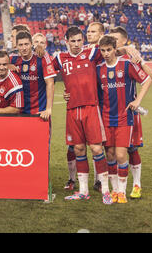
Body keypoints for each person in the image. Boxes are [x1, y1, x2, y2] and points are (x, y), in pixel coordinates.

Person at [52, 26, 112, 204]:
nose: (77, 44)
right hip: (72, 110)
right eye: (73, 41)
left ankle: (106, 190)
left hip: (91, 109)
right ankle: (83, 190)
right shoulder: (60, 58)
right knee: (78, 149)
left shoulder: (92, 53)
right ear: (66, 41)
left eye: (80, 40)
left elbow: (112, 48)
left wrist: (128, 48)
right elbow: (43, 69)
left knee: (96, 149)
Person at [96, 35, 152, 203]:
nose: (106, 53)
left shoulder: (126, 65)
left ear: (115, 49)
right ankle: (114, 191)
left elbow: (148, 79)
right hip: (106, 118)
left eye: (109, 50)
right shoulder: (99, 69)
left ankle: (122, 191)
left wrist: (137, 101)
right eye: (103, 50)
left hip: (124, 117)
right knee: (110, 154)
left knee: (121, 155)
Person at [9, 31, 56, 120]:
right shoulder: (12, 58)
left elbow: (50, 83)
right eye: (21, 45)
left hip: (39, 111)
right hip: (19, 111)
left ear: (31, 44)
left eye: (26, 44)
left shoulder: (42, 57)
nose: (24, 48)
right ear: (17, 46)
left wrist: (48, 109)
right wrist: (7, 65)